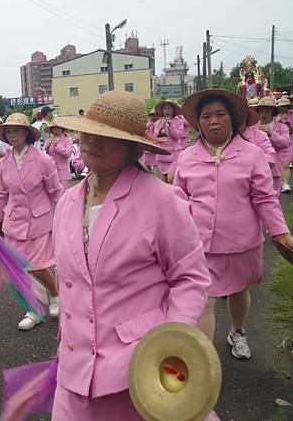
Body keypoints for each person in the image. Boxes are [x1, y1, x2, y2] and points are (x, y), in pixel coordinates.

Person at [50, 90, 211, 420]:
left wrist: (170, 348)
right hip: (75, 365)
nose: (92, 142)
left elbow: (190, 278)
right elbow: (68, 281)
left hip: (137, 366)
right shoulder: (68, 201)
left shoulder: (161, 201)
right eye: (88, 132)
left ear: (134, 147)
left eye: (106, 137)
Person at [174, 89, 293, 359]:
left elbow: (265, 198)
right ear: (198, 123)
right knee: (204, 299)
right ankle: (202, 367)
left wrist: (281, 232)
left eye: (220, 114)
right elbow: (178, 199)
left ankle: (238, 331)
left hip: (240, 242)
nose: (214, 121)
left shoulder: (252, 154)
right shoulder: (186, 158)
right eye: (206, 116)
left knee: (238, 291)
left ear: (233, 118)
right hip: (199, 245)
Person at [0, 114, 63, 330]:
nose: (12, 135)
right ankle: (33, 309)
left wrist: (65, 219)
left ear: (27, 134)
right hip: (14, 222)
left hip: (39, 221)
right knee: (17, 270)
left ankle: (55, 295)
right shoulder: (3, 163)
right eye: (8, 132)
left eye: (16, 130)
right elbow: (3, 194)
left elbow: (56, 192)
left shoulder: (44, 160)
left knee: (39, 267)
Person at [257, 96, 291, 196]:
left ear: (273, 112)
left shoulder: (282, 127)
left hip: (274, 170)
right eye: (261, 111)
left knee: (274, 198)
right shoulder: (253, 127)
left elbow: (286, 143)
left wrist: (271, 133)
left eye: (267, 110)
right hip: (256, 170)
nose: (264, 114)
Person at [153, 100, 185, 183]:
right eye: (165, 109)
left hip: (174, 155)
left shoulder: (179, 122)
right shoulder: (158, 123)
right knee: (164, 182)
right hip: (162, 154)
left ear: (173, 110)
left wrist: (171, 126)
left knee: (171, 179)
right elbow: (156, 139)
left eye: (169, 108)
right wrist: (161, 128)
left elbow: (177, 137)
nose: (167, 111)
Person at [276, 97, 293, 193]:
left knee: (286, 164)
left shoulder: (292, 115)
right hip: (276, 142)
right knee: (278, 164)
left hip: (288, 141)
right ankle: (279, 182)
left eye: (286, 106)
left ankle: (286, 184)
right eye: (282, 106)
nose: (284, 108)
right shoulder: (274, 116)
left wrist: (289, 126)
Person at [44, 123, 74, 189]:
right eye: (54, 129)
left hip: (63, 172)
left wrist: (57, 146)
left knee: (62, 195)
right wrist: (47, 149)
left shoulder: (68, 140)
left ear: (62, 129)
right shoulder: (48, 141)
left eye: (57, 128)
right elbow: (45, 157)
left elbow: (68, 154)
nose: (55, 130)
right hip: (51, 172)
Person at [143, 108, 159, 172]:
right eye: (153, 115)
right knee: (147, 162)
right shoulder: (148, 122)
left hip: (156, 144)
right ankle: (150, 171)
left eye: (156, 115)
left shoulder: (160, 123)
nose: (154, 116)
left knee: (156, 162)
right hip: (148, 143)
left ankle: (154, 174)